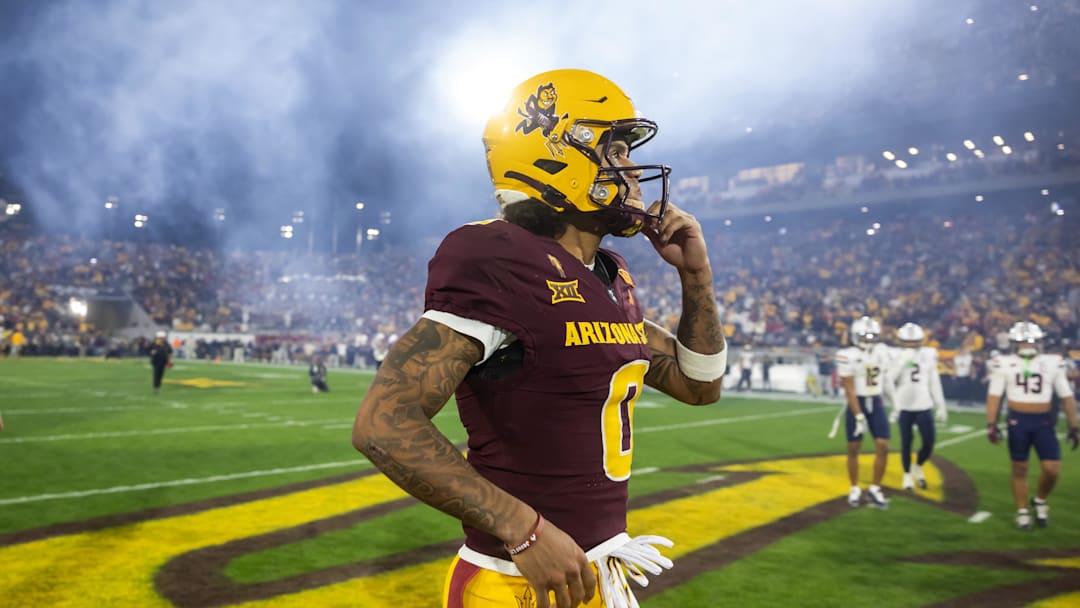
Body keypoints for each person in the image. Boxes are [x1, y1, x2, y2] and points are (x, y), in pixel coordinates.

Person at [352, 68, 726, 608]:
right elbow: (382, 424)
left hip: (592, 573)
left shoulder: (608, 275)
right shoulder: (501, 260)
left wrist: (696, 277)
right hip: (512, 582)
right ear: (557, 154)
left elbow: (700, 384)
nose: (631, 169)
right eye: (615, 149)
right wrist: (520, 526)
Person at [985, 321, 1079, 530]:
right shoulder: (1003, 362)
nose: (1027, 344)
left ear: (1039, 341)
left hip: (1043, 421)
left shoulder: (1053, 362)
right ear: (1014, 343)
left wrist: (1074, 426)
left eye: (1031, 340)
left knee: (1052, 469)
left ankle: (1039, 499)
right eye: (1022, 341)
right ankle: (1022, 511)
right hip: (1017, 420)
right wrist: (991, 423)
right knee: (1020, 468)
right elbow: (994, 396)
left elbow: (1066, 396)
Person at [835, 316, 894, 508]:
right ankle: (854, 488)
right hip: (857, 401)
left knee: (883, 445)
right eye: (864, 336)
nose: (868, 339)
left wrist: (896, 403)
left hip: (875, 401)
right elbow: (849, 389)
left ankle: (875, 489)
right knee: (853, 448)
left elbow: (890, 376)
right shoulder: (847, 355)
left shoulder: (882, 352)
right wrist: (858, 415)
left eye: (871, 336)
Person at [888, 323, 948, 491]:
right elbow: (889, 381)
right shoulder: (896, 355)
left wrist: (941, 405)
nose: (911, 345)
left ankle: (918, 465)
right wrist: (901, 364)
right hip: (904, 406)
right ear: (901, 341)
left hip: (923, 404)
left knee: (929, 442)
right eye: (907, 342)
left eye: (914, 341)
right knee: (906, 443)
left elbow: (934, 381)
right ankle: (907, 475)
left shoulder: (928, 355)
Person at [149, 330, 173, 395]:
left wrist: (170, 360)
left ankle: (158, 387)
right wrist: (152, 352)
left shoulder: (166, 343)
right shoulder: (154, 343)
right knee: (156, 375)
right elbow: (149, 350)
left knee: (161, 375)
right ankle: (155, 387)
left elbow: (170, 351)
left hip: (163, 361)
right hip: (156, 361)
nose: (162, 339)